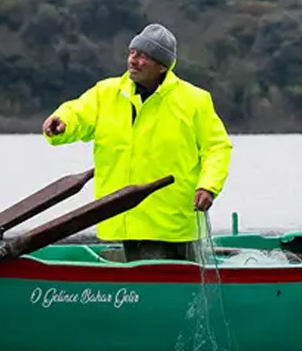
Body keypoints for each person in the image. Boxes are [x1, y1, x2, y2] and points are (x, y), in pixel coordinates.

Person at [42, 22, 233, 262]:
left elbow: (217, 147)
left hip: (177, 218)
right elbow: (78, 112)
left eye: (143, 56)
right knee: (160, 286)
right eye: (132, 52)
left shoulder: (194, 100)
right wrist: (62, 122)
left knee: (180, 285)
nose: (133, 60)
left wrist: (208, 187)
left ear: (163, 66)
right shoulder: (106, 93)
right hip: (125, 218)